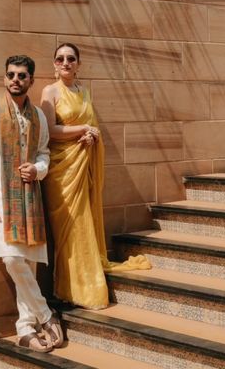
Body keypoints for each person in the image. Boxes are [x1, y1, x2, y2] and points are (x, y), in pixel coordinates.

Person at [41, 43, 151, 310]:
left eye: (71, 58)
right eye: (60, 59)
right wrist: (83, 129)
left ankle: (83, 285)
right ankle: (73, 288)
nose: (65, 63)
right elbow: (49, 131)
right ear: (54, 64)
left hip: (83, 164)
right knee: (71, 227)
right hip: (61, 170)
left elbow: (90, 126)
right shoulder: (50, 92)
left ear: (78, 64)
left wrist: (90, 135)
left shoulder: (84, 91)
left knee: (85, 224)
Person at [0, 55, 63, 352]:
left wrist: (37, 169)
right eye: (10, 74)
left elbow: (43, 153)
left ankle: (25, 327)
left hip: (29, 200)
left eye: (22, 76)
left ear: (31, 81)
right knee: (12, 259)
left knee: (28, 264)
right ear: (4, 79)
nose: (15, 80)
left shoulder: (37, 116)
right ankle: (46, 315)